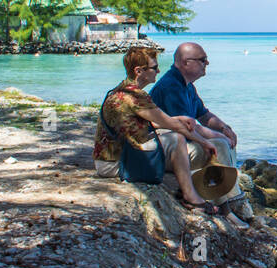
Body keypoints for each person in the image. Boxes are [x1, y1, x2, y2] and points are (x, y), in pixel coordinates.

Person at [93, 47, 222, 214]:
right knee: (176, 139)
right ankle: (191, 197)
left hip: (112, 158)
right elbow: (172, 125)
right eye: (154, 68)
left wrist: (178, 120)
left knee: (172, 136)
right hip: (115, 164)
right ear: (139, 71)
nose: (158, 71)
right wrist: (205, 142)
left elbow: (147, 123)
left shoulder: (123, 91)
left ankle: (191, 188)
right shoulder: (135, 97)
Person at [148, 42, 245, 209]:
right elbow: (188, 126)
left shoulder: (187, 86)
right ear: (186, 62)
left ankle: (228, 195)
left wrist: (224, 128)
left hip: (181, 144)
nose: (207, 63)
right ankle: (232, 203)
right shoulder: (171, 86)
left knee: (226, 140)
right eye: (203, 60)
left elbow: (204, 115)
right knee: (221, 144)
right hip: (168, 150)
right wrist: (218, 136)